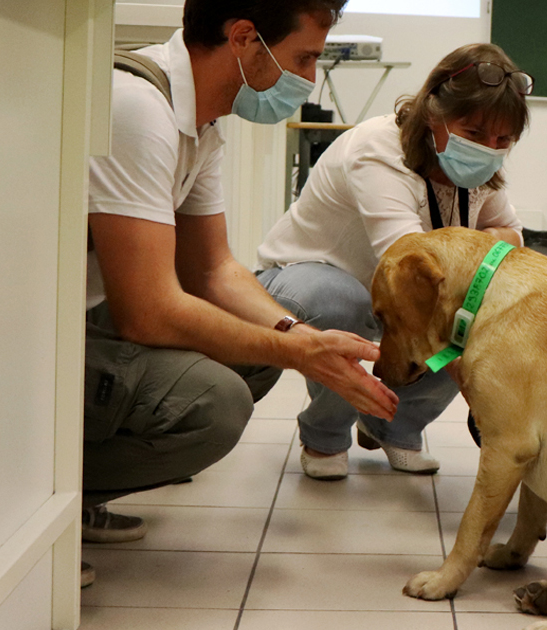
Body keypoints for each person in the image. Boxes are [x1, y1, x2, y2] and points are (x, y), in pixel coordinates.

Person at [81, 0, 398, 585]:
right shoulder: (137, 109)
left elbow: (214, 272)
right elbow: (146, 314)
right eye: (303, 58)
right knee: (215, 403)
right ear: (246, 38)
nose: (306, 80)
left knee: (255, 355)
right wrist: (296, 351)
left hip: (85, 324)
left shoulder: (199, 125)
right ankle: (45, 502)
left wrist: (300, 337)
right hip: (25, 344)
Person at [255, 43, 531, 480]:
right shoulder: (378, 149)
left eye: (503, 140)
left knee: (467, 320)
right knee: (350, 305)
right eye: (475, 134)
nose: (489, 149)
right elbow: (406, 267)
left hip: (389, 288)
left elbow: (513, 236)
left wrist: (495, 243)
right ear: (433, 115)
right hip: (304, 280)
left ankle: (394, 426)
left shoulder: (479, 168)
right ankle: (324, 435)